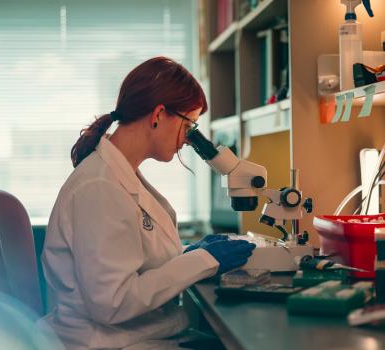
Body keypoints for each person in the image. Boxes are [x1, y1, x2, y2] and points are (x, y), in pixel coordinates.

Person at [41, 57, 256, 350]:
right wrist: (203, 260)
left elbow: (135, 261)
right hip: (106, 343)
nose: (188, 140)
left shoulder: (119, 175)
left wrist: (191, 255)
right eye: (189, 124)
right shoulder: (100, 187)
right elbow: (112, 303)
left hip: (139, 337)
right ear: (158, 114)